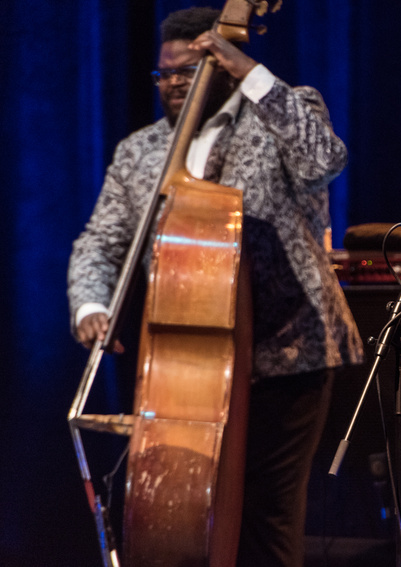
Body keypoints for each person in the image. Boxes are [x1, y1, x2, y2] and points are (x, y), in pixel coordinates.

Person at [67, 7, 363, 566]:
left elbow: (326, 157)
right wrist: (90, 304)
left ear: (220, 64)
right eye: (164, 75)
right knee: (178, 517)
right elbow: (99, 241)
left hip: (290, 354)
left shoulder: (283, 110)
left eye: (187, 70)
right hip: (184, 369)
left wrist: (250, 70)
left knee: (265, 520)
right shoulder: (140, 152)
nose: (174, 84)